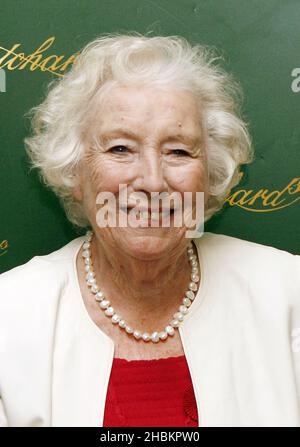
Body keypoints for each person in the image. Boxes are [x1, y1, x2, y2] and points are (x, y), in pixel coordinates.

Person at [0, 33, 299, 427]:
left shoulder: (288, 293)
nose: (153, 183)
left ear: (208, 176)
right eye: (120, 149)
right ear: (75, 172)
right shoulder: (10, 314)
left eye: (178, 151)